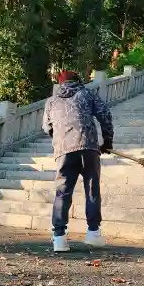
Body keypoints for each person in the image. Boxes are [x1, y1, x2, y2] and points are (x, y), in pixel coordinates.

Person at [42, 70, 114, 252]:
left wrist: (59, 137)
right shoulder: (87, 93)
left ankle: (59, 238)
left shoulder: (51, 101)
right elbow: (105, 115)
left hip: (64, 151)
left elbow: (47, 127)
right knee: (92, 190)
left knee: (62, 193)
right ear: (78, 80)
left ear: (60, 83)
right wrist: (107, 141)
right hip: (89, 147)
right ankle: (93, 234)